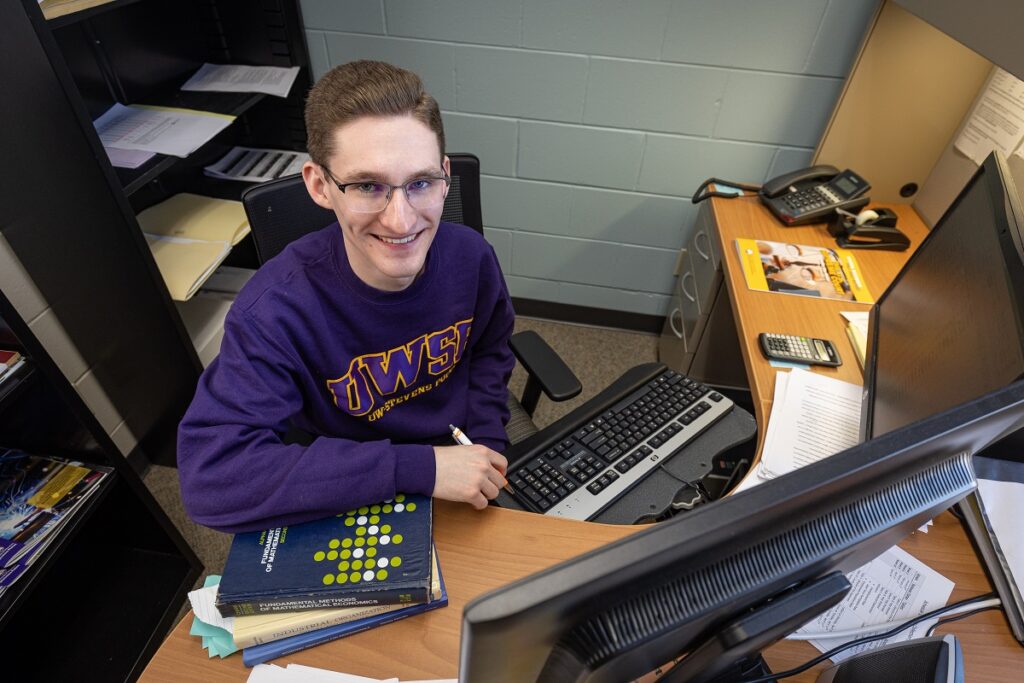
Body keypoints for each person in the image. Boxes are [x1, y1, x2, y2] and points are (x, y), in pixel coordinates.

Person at [177, 61, 515, 533]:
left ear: (444, 177)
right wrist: (420, 468)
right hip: (356, 486)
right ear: (320, 186)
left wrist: (485, 443)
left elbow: (489, 353)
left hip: (463, 463)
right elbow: (213, 481)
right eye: (366, 186)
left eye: (420, 183)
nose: (401, 221)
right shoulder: (274, 311)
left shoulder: (472, 258)